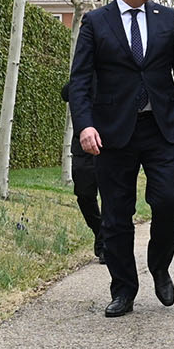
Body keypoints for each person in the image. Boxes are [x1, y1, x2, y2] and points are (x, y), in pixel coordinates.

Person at [67, 0, 174, 317]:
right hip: (112, 132)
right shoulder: (96, 22)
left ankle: (159, 266)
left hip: (162, 127)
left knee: (170, 202)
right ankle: (124, 288)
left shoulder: (168, 19)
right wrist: (86, 125)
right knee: (116, 215)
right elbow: (79, 80)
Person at [61, 81, 105, 258]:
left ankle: (106, 244)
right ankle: (100, 231)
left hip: (112, 142)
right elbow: (66, 93)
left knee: (112, 196)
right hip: (83, 145)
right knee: (84, 193)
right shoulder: (84, 75)